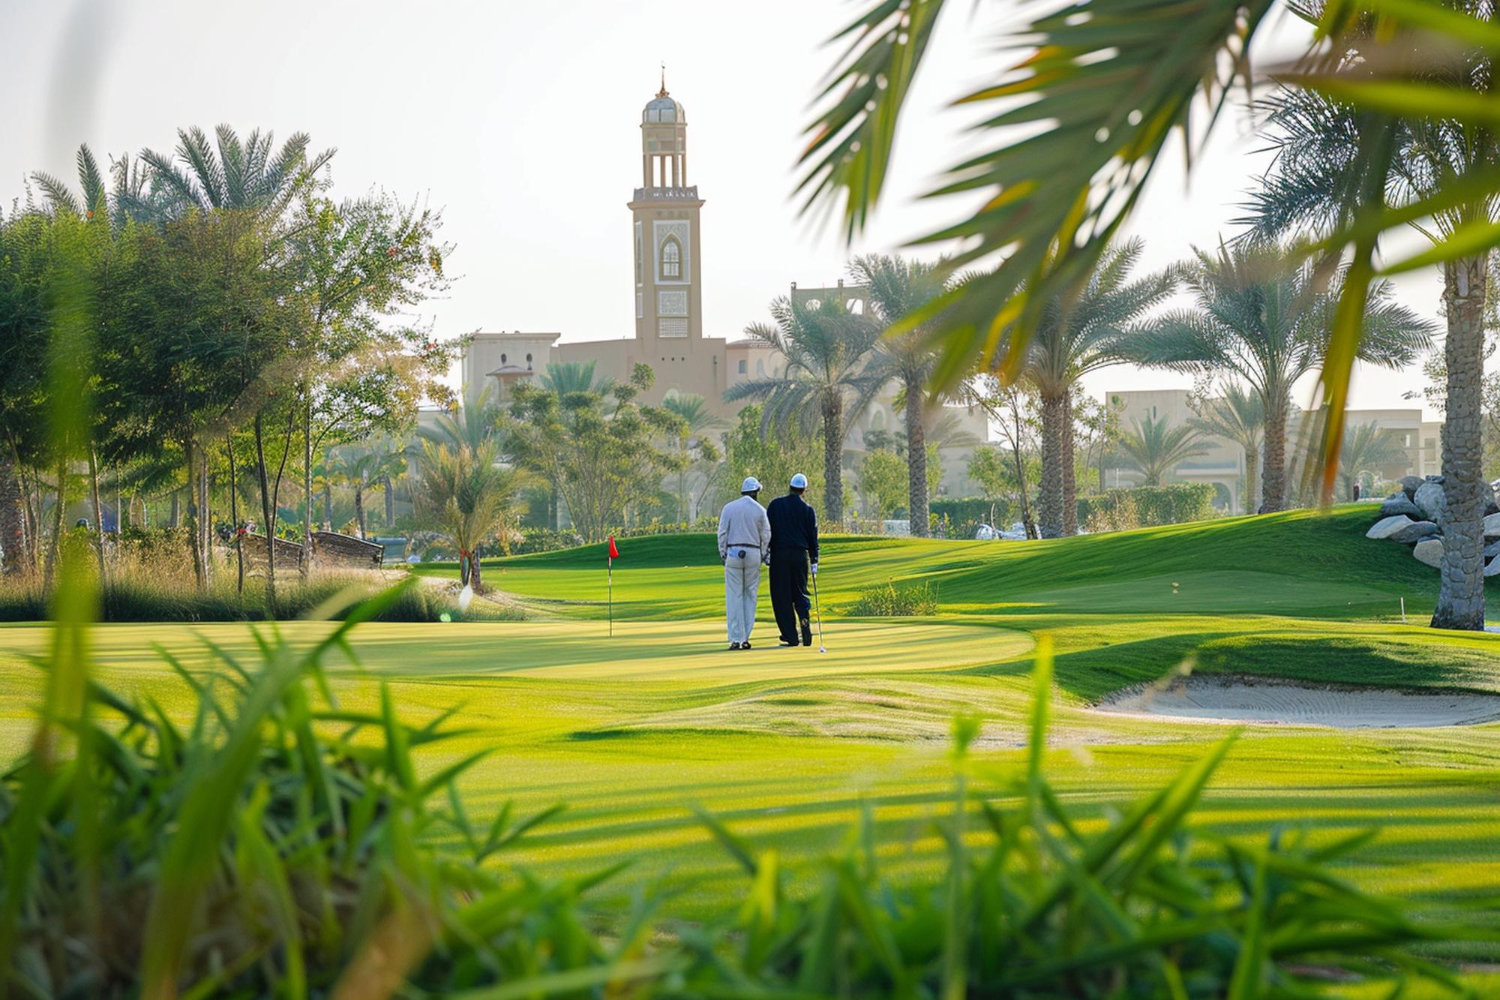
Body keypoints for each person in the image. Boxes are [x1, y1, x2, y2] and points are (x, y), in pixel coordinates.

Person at [717, 476, 772, 650]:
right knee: (750, 595)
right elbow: (766, 535)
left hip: (733, 552)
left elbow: (722, 533)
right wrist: (763, 554)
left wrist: (723, 554)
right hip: (753, 553)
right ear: (755, 492)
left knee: (734, 596)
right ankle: (745, 637)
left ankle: (735, 638)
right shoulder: (759, 510)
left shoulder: (729, 508)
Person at [766, 473, 819, 647]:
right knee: (800, 592)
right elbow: (813, 537)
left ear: (789, 487)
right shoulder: (808, 510)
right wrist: (814, 559)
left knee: (782, 596)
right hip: (800, 556)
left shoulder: (775, 505)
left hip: (780, 555)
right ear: (804, 490)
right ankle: (804, 622)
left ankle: (790, 635)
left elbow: (767, 531)